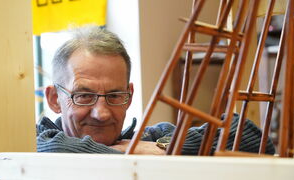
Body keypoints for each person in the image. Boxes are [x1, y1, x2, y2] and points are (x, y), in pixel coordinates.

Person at [37, 25, 275, 155]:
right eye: (84, 96)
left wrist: (164, 147)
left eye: (114, 96)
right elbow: (53, 148)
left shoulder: (150, 140)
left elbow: (252, 138)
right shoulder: (32, 143)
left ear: (129, 95)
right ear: (54, 99)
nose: (102, 113)